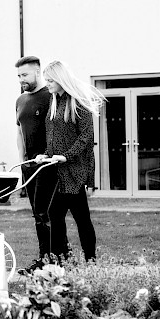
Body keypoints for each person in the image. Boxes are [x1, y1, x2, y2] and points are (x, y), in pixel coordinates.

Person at [35, 60, 105, 263]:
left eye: (50, 81)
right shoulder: (54, 101)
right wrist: (46, 155)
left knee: (78, 218)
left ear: (60, 80)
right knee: (59, 216)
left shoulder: (77, 102)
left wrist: (67, 155)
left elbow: (86, 136)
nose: (47, 85)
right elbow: (53, 136)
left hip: (74, 171)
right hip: (59, 170)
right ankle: (61, 261)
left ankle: (88, 260)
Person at [14, 56, 61, 274]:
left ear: (37, 71)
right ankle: (50, 260)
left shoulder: (50, 97)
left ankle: (51, 262)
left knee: (46, 214)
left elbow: (60, 131)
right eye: (19, 76)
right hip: (29, 166)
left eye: (24, 75)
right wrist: (22, 161)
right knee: (38, 215)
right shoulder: (21, 100)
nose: (21, 79)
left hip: (48, 165)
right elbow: (19, 133)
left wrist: (50, 156)